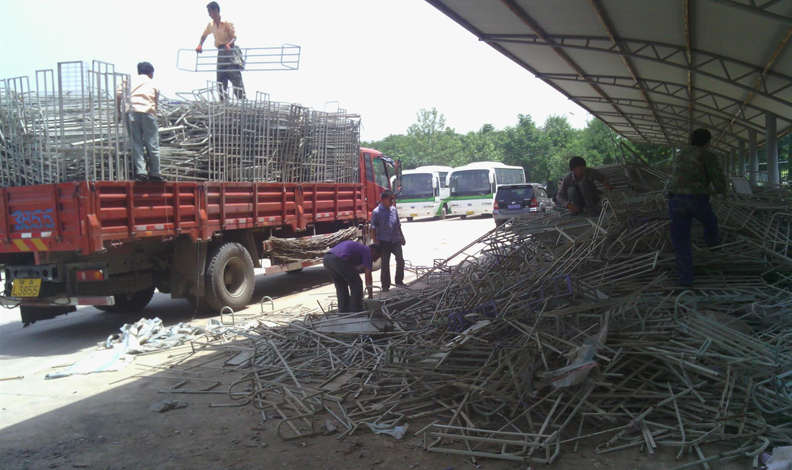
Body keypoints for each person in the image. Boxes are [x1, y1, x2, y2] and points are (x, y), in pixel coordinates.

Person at [667, 128, 727, 288]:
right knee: (711, 223)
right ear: (707, 142)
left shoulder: (680, 154)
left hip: (675, 199)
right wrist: (722, 191)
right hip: (696, 198)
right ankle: (715, 252)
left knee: (680, 241)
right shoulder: (707, 155)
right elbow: (719, 179)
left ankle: (686, 280)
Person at [116, 62, 164, 182]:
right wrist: (154, 113)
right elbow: (155, 101)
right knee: (152, 144)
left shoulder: (128, 79)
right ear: (151, 73)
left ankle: (141, 173)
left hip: (131, 112)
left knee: (136, 143)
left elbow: (118, 94)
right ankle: (155, 173)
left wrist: (118, 111)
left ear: (138, 72)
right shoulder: (153, 82)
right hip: (148, 112)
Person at [196, 2, 246, 100]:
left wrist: (228, 44)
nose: (209, 14)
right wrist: (200, 45)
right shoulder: (210, 25)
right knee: (221, 78)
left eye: (210, 11)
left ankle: (242, 100)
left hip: (230, 51)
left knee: (235, 76)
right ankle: (223, 101)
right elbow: (204, 35)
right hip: (221, 52)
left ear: (216, 10)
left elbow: (234, 37)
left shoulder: (227, 23)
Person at [323, 241, 382, 313]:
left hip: (327, 259)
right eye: (377, 257)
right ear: (373, 251)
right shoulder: (368, 252)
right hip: (339, 259)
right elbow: (368, 276)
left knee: (341, 285)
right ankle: (355, 311)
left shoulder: (361, 249)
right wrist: (370, 296)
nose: (375, 260)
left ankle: (343, 311)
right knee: (357, 284)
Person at [370, 190, 406, 292]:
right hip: (383, 241)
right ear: (384, 199)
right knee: (385, 263)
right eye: (390, 199)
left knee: (400, 260)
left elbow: (398, 224)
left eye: (393, 199)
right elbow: (373, 227)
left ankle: (399, 280)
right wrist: (375, 242)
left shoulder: (394, 210)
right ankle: (385, 285)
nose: (392, 201)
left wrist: (402, 237)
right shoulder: (377, 212)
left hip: (395, 239)